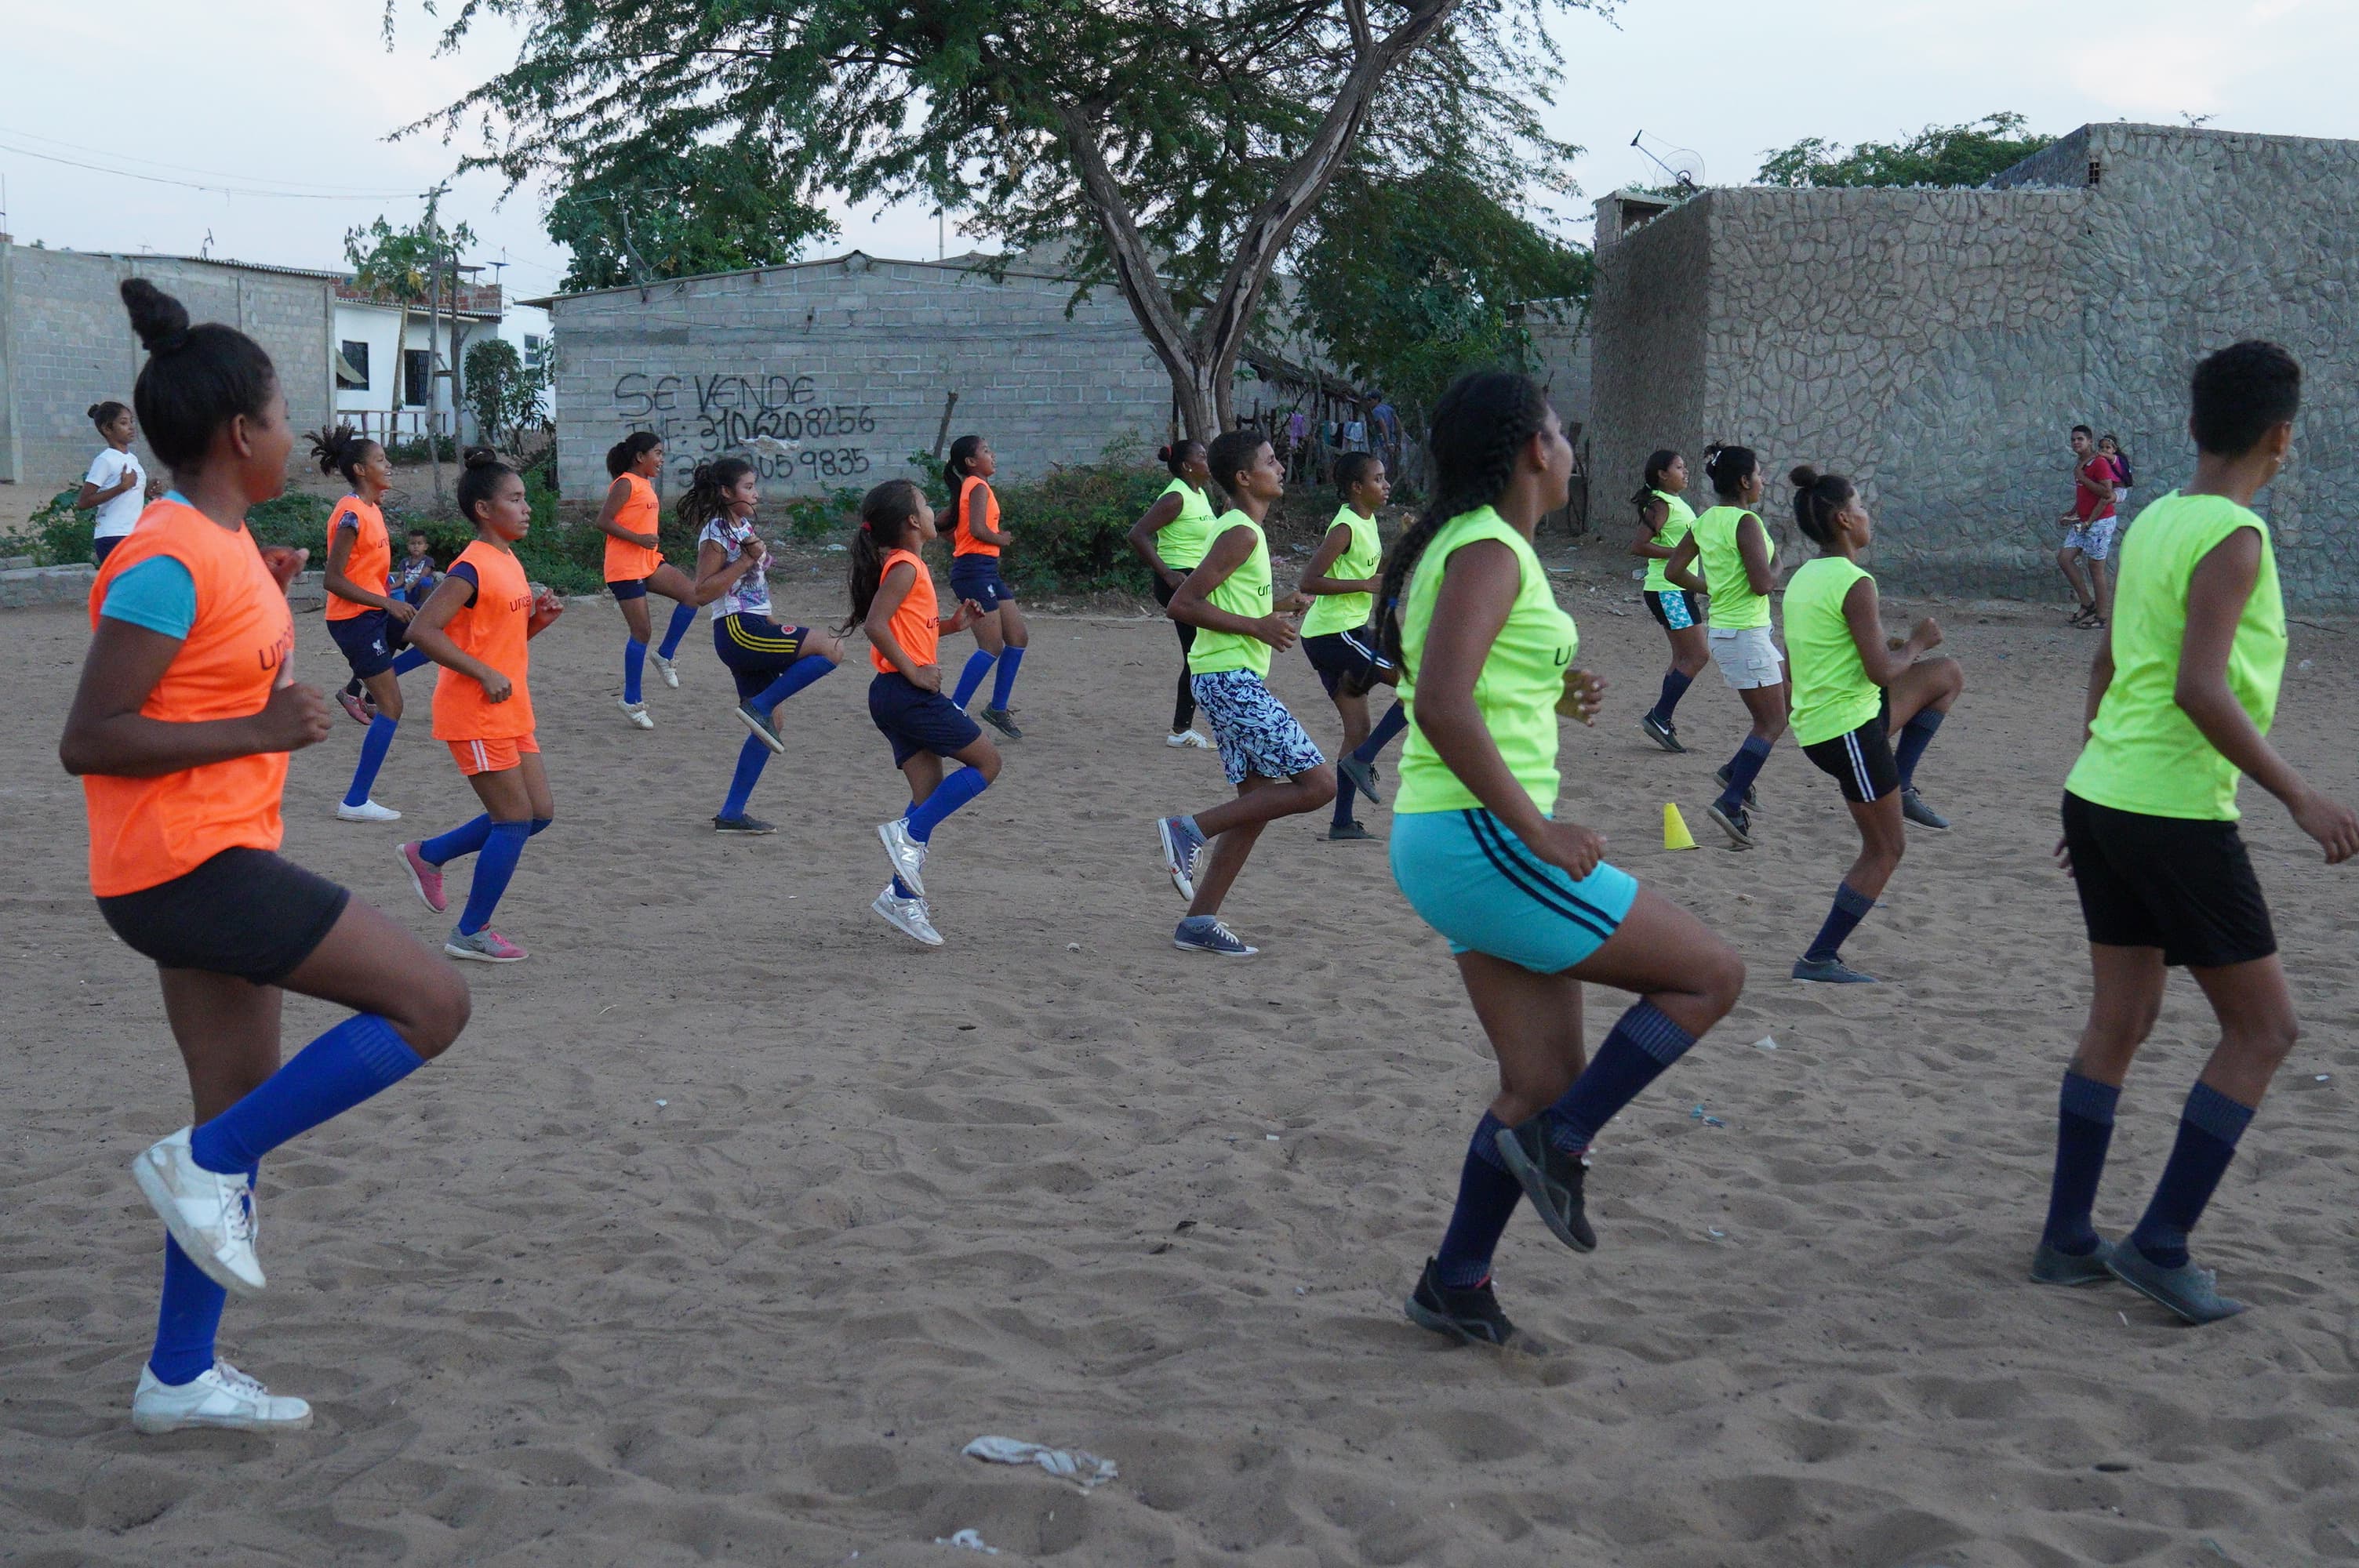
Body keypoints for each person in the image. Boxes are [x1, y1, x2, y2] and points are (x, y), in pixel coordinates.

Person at [59, 278, 470, 1436]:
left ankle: (177, 1377)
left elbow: (198, 661)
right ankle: (207, 1165)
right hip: (183, 871)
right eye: (287, 412)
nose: (299, 432)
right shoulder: (167, 558)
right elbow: (88, 739)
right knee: (432, 1003)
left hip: (206, 857)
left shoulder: (225, 545)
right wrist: (262, 726)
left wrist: (265, 603)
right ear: (243, 434)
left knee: (232, 1111)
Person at [1379, 370, 1744, 1349]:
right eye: (1559, 431)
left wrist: (1549, 689)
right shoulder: (1491, 550)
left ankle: (1454, 1282)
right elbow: (1443, 703)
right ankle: (1562, 1142)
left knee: (1538, 1077)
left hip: (1449, 835)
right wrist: (1538, 831)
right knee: (1709, 974)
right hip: (1478, 834)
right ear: (1534, 449)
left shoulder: (1479, 548)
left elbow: (1472, 684)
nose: (1571, 448)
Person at [2036, 341, 2358, 1325]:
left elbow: (2105, 662)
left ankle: (2065, 1237)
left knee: (2119, 1020)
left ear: (2187, 427)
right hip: (2171, 808)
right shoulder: (2234, 536)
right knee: (2264, 1029)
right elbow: (2196, 687)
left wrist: (2094, 781)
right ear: (2281, 436)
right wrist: (2298, 794)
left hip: (2106, 796)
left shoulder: (2152, 521)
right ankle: (2160, 1241)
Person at [1152, 431, 1337, 956]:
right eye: (1271, 461)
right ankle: (1187, 829)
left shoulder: (1245, 530)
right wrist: (1257, 628)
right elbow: (1182, 604)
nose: (1280, 467)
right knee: (1319, 785)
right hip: (1227, 678)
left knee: (1255, 806)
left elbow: (1231, 601)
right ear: (1242, 477)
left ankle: (1198, 922)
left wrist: (1278, 606)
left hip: (1229, 677)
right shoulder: (1239, 533)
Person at [1782, 465, 1965, 984]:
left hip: (1836, 719)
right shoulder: (1857, 582)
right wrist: (1917, 643)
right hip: (1847, 733)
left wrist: (1900, 653)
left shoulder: (1805, 577)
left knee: (1947, 676)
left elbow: (1800, 662)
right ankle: (1818, 958)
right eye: (1860, 506)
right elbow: (1881, 669)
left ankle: (1901, 781)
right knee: (1887, 848)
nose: (1866, 515)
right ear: (1843, 520)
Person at [397, 451, 567, 964]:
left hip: (511, 708)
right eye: (515, 499)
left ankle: (430, 854)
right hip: (474, 711)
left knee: (538, 815)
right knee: (513, 819)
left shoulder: (508, 561)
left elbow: (496, 642)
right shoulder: (469, 566)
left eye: (525, 498)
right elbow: (421, 631)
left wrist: (536, 622)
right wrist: (484, 674)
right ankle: (471, 932)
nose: (526, 507)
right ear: (484, 508)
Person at [851, 478, 1001, 946]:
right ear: (913, 521)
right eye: (926, 503)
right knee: (988, 763)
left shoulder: (906, 565)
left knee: (929, 791)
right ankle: (908, 836)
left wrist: (953, 625)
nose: (935, 508)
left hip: (891, 695)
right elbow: (876, 626)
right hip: (905, 693)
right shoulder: (905, 566)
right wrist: (915, 673)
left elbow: (910, 627)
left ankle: (901, 897)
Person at [688, 457, 842, 833]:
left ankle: (731, 814)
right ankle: (758, 704)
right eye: (747, 487)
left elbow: (755, 592)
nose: (756, 493)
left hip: (755, 624)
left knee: (770, 725)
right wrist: (745, 559)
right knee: (831, 648)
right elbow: (702, 593)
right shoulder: (717, 532)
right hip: (737, 630)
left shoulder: (743, 527)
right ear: (726, 492)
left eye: (755, 486)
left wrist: (772, 619)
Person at [1662, 444, 1785, 848]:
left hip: (1731, 632)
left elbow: (1674, 570)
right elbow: (1763, 584)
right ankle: (1731, 801)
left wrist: (1711, 588)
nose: (1764, 481)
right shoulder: (1746, 523)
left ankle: (1735, 772)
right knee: (1771, 722)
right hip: (1745, 634)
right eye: (1760, 474)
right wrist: (1780, 565)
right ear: (1745, 482)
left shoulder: (1706, 521)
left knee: (1786, 700)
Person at [311, 425, 432, 819]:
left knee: (432, 637)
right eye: (381, 460)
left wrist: (395, 592)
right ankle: (355, 801)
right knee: (392, 705)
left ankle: (363, 684)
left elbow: (368, 571)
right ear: (361, 469)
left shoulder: (372, 509)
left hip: (375, 611)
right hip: (354, 620)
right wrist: (387, 602)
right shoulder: (350, 516)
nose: (389, 465)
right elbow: (333, 580)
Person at [1298, 451, 1407, 841]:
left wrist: (1405, 544)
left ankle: (1341, 823)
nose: (1386, 483)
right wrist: (1363, 585)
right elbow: (1308, 581)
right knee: (1420, 686)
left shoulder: (1368, 520)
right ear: (1356, 488)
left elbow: (1376, 574)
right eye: (1378, 478)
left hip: (1339, 634)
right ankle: (1363, 760)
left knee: (1358, 727)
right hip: (1335, 635)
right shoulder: (1344, 527)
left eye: (1385, 477)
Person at [595, 432, 699, 729]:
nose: (661, 459)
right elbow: (603, 521)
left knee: (693, 594)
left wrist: (645, 541)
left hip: (649, 561)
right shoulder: (626, 483)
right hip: (625, 568)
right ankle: (631, 700)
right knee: (641, 632)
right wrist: (638, 538)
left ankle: (665, 655)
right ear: (640, 457)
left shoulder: (645, 483)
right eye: (657, 453)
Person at [1126, 440, 1221, 750]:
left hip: (1196, 581)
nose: (1208, 461)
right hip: (1179, 582)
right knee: (1198, 654)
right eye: (1202, 457)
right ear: (1186, 466)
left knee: (1201, 653)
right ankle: (1181, 729)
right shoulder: (1176, 496)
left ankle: (1186, 727)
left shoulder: (1199, 494)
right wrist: (1167, 573)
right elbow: (1137, 534)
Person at [939, 435, 1029, 739]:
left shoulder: (974, 487)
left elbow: (946, 526)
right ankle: (953, 711)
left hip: (985, 570)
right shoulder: (976, 486)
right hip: (973, 572)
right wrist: (1001, 538)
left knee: (1017, 638)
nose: (993, 455)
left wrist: (958, 540)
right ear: (971, 462)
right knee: (991, 647)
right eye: (987, 451)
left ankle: (997, 709)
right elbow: (978, 529)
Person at [1628, 449, 1705, 753]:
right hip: (1668, 590)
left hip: (1675, 590)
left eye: (1685, 467)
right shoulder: (1661, 503)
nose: (1685, 472)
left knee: (1682, 658)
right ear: (1662, 474)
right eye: (1679, 467)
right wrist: (1679, 555)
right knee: (1698, 656)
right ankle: (1659, 716)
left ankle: (1663, 719)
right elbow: (1638, 545)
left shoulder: (1675, 503)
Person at [2058, 424, 2118, 630]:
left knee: (2096, 568)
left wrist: (2082, 477)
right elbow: (2085, 494)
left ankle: (2101, 617)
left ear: (2090, 441)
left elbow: (2106, 493)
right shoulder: (2081, 463)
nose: (2076, 443)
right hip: (2083, 522)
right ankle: (2087, 603)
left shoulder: (2099, 463)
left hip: (2101, 521)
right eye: (2073, 439)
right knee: (2065, 559)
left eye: (2080, 439)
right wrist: (2071, 511)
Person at [77, 401, 147, 566]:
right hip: (113, 537)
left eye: (131, 421)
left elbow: (130, 493)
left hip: (133, 534)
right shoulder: (105, 460)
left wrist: (148, 490)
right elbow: (83, 502)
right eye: (123, 423)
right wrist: (121, 488)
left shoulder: (132, 459)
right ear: (107, 429)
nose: (131, 427)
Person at [391, 529, 440, 603]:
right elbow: (401, 580)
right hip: (407, 589)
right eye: (413, 543)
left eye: (419, 543)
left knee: (426, 581)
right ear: (408, 546)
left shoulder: (428, 560)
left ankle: (422, 605)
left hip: (419, 589)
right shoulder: (404, 562)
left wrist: (412, 585)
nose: (416, 546)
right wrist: (389, 587)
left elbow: (423, 576)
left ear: (425, 547)